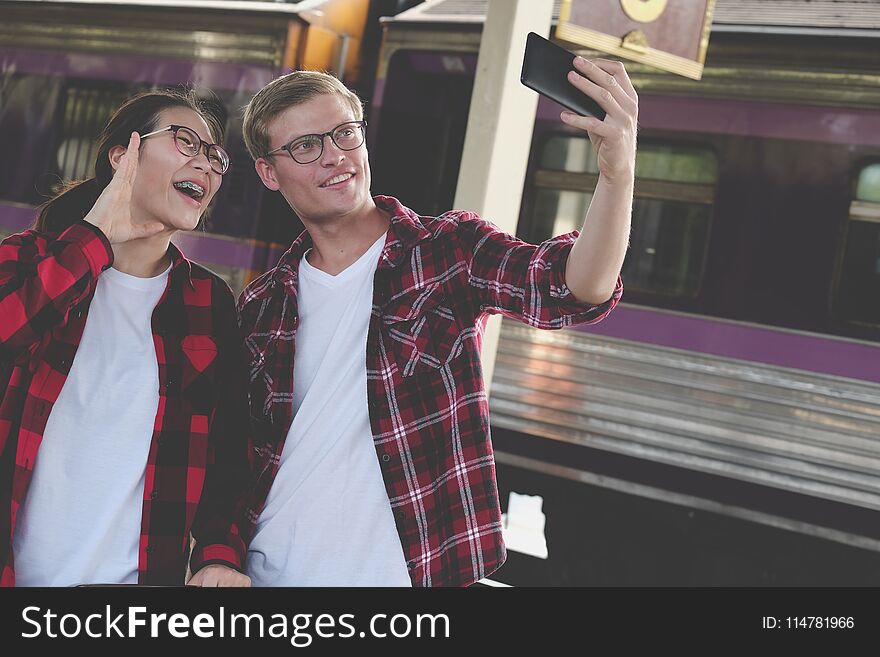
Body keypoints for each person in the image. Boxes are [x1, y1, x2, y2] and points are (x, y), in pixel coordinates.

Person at [238, 56, 635, 586]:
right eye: (306, 146)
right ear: (269, 171)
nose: (335, 156)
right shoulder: (261, 305)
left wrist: (617, 173)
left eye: (344, 134)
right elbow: (236, 457)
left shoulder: (447, 251)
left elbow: (571, 288)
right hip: (269, 577)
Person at [0, 90, 251, 587]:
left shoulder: (208, 301)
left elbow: (229, 457)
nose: (205, 163)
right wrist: (93, 239)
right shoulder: (28, 259)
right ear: (122, 155)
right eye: (186, 142)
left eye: (215, 156)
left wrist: (219, 556)